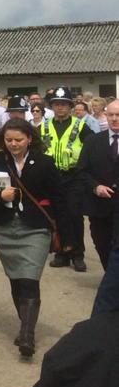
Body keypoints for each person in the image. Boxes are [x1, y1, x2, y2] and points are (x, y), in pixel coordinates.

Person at [0, 120, 63, 357]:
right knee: (16, 279)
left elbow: (59, 197)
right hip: (4, 227)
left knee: (29, 279)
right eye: (9, 140)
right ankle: (25, 323)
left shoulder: (45, 163)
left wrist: (65, 234)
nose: (14, 144)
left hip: (35, 228)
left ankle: (27, 335)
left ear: (29, 138)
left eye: (18, 140)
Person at [40, 86, 91, 272]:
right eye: (56, 104)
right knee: (55, 215)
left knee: (74, 214)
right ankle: (61, 252)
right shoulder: (43, 126)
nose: (60, 107)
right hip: (52, 177)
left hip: (73, 176)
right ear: (52, 106)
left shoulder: (80, 126)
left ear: (70, 106)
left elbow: (90, 148)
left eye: (64, 104)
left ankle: (77, 254)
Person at [78, 99, 119, 271]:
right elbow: (81, 171)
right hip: (99, 207)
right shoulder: (93, 141)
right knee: (102, 245)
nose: (114, 119)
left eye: (118, 115)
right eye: (111, 115)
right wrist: (95, 187)